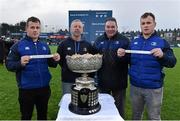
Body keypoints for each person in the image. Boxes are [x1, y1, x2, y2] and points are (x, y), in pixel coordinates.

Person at [117, 12, 177, 120]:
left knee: (153, 117)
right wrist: (122, 55)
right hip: (135, 87)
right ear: (140, 25)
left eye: (148, 22)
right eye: (143, 23)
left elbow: (172, 62)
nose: (145, 25)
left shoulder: (162, 42)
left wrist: (163, 55)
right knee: (136, 116)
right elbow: (129, 60)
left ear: (154, 24)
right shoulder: (133, 42)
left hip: (153, 88)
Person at [6, 16, 60, 120]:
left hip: (44, 88)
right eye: (32, 27)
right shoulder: (18, 46)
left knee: (42, 116)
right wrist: (20, 63)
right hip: (26, 90)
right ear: (26, 29)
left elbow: (51, 64)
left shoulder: (44, 46)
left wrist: (56, 59)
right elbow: (9, 65)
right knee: (26, 117)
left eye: (37, 27)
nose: (35, 30)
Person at [93, 17, 129, 118]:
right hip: (103, 82)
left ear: (117, 27)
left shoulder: (124, 40)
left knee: (119, 110)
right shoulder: (98, 40)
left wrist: (124, 55)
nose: (110, 29)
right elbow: (93, 59)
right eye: (108, 27)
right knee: (103, 109)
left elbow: (131, 59)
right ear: (104, 28)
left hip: (119, 82)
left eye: (113, 26)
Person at [57, 19, 96, 95]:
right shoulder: (63, 44)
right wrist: (67, 68)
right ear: (70, 29)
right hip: (68, 79)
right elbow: (60, 61)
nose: (77, 28)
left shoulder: (88, 45)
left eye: (79, 27)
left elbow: (93, 60)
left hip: (84, 80)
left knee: (83, 102)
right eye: (75, 26)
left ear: (82, 29)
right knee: (67, 101)